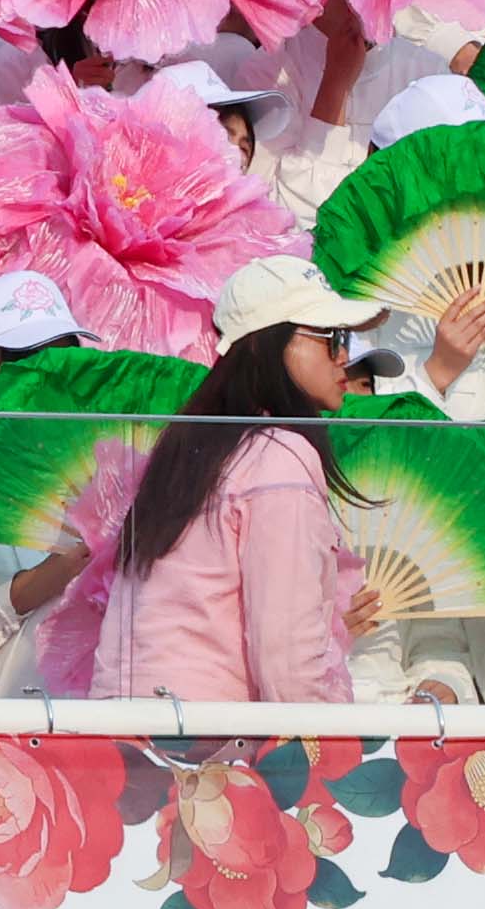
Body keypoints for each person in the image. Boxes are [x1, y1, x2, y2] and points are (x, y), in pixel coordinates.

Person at [104, 258, 363, 700]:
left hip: (128, 722)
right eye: (330, 337)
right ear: (267, 344)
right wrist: (326, 736)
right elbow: (287, 662)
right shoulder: (281, 456)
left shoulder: (187, 448)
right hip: (210, 730)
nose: (344, 357)